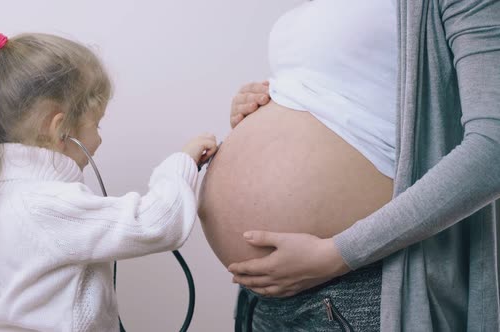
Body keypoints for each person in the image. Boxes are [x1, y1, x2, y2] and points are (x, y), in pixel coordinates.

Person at [198, 0, 500, 331]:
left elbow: (492, 149)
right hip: (262, 297)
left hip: (359, 281)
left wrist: (337, 254)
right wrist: (260, 105)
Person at [0, 29, 217, 331]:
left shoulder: (5, 197)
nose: (99, 139)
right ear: (58, 128)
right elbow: (159, 223)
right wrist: (181, 163)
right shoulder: (45, 205)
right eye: (97, 124)